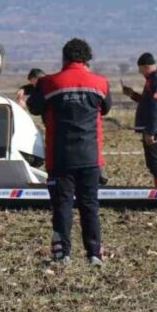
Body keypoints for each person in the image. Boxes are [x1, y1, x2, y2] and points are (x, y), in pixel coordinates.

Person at [27, 38, 110, 266]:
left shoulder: (48, 83)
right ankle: (94, 253)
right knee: (89, 205)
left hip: (60, 157)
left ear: (64, 58)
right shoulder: (101, 84)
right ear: (87, 59)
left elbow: (34, 107)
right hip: (90, 157)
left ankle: (62, 254)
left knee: (62, 205)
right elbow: (106, 108)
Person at [121, 52, 157, 188]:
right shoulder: (153, 80)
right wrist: (132, 94)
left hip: (154, 128)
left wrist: (150, 131)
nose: (140, 73)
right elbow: (147, 102)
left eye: (140, 69)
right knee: (154, 162)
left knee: (155, 162)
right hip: (154, 127)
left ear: (145, 67)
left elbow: (156, 107)